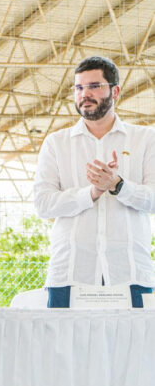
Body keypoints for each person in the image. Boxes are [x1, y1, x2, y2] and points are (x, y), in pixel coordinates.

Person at [34, 56, 155, 308]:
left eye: (94, 86)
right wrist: (91, 192)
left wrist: (119, 185)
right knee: (64, 347)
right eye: (79, 88)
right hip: (69, 272)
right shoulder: (56, 143)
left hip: (130, 273)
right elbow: (43, 204)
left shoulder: (145, 139)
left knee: (134, 348)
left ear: (116, 91)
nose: (84, 94)